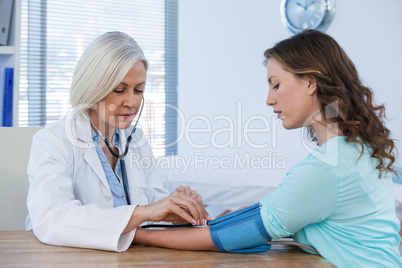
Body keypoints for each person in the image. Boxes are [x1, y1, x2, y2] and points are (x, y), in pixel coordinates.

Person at [130, 30, 402, 267]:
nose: (269, 99)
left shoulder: (326, 168)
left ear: (310, 82)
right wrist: (246, 213)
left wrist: (137, 233)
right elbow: (278, 210)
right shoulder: (355, 150)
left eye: (276, 85)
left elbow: (233, 236)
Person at [25, 31, 211, 252]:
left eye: (139, 90)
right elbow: (51, 218)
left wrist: (176, 209)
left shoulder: (136, 140)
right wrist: (145, 211)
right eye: (120, 90)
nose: (132, 102)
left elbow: (153, 205)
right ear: (93, 87)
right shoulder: (54, 140)